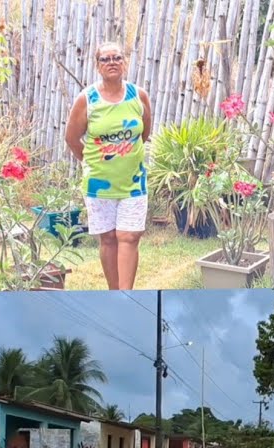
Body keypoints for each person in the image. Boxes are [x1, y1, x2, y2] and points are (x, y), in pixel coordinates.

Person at [64, 41, 153, 290]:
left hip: (133, 181)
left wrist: (125, 155)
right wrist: (93, 164)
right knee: (109, 238)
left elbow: (144, 132)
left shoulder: (138, 95)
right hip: (99, 184)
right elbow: (71, 139)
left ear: (124, 62)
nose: (112, 62)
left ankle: (127, 294)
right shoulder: (87, 99)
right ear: (97, 65)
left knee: (129, 236)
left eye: (117, 57)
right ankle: (114, 293)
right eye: (105, 59)